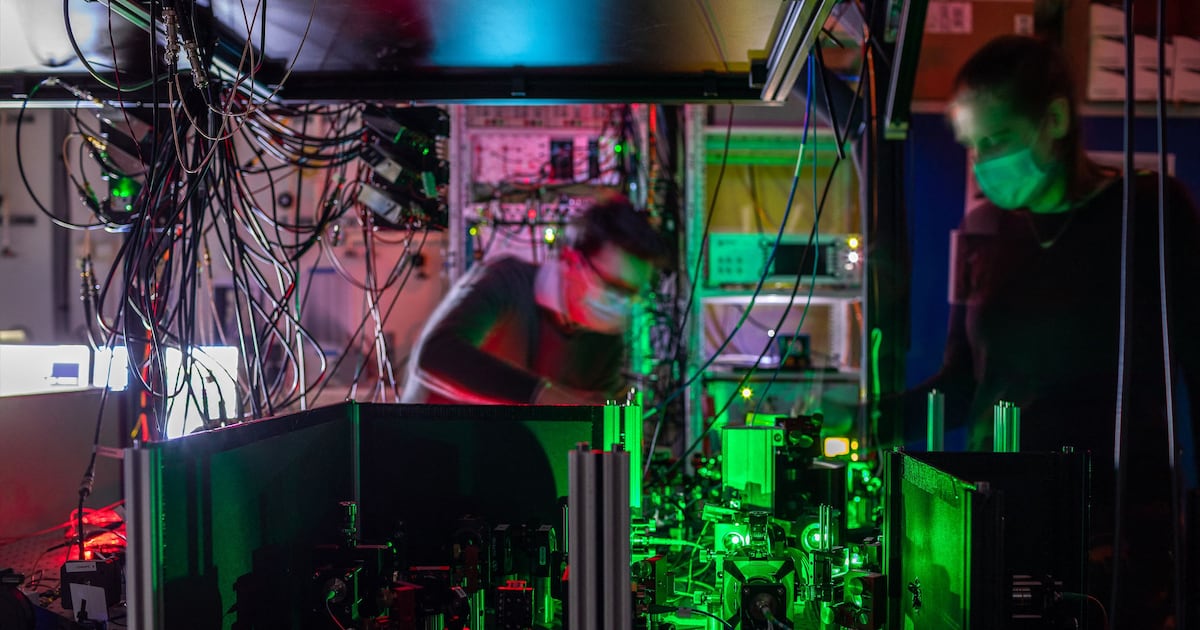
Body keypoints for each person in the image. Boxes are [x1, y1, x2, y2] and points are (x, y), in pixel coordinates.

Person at [920, 34, 1200, 626]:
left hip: (1118, 531)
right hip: (998, 517)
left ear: (1055, 118)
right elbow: (961, 384)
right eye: (972, 145)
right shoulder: (983, 229)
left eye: (997, 139)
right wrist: (862, 418)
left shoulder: (1149, 211)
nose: (982, 161)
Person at [401, 193, 667, 405]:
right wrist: (544, 396)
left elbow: (593, 422)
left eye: (632, 293)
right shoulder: (508, 283)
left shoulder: (603, 341)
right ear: (571, 261)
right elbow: (437, 356)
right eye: (613, 286)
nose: (621, 302)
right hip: (434, 442)